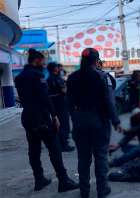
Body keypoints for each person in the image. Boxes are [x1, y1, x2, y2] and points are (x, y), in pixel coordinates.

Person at [14, 49, 79, 192]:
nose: (44, 64)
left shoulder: (19, 78)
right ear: (36, 60)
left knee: (34, 150)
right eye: (43, 61)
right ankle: (63, 181)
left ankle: (39, 180)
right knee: (54, 149)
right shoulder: (37, 76)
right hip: (42, 118)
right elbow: (45, 97)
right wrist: (54, 116)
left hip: (27, 117)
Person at [67, 48, 121, 198]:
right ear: (97, 61)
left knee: (83, 158)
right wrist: (115, 120)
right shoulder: (103, 77)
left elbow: (68, 104)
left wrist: (75, 118)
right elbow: (110, 101)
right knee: (101, 156)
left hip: (80, 123)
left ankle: (84, 192)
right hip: (99, 122)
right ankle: (102, 190)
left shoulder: (72, 78)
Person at [47, 62, 75, 152]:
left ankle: (59, 143)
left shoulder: (49, 79)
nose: (60, 69)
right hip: (60, 104)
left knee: (58, 124)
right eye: (58, 67)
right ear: (54, 68)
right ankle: (64, 145)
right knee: (63, 124)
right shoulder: (56, 79)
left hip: (55, 104)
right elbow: (64, 90)